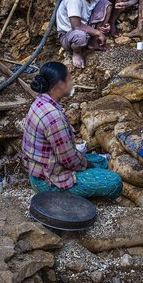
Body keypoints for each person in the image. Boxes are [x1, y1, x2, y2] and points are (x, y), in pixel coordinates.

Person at [22, 62, 123, 200]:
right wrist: (88, 166)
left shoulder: (39, 101)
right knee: (114, 182)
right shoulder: (53, 117)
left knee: (100, 160)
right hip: (48, 182)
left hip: (39, 172)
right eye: (69, 79)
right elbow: (69, 160)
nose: (72, 82)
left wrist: (88, 162)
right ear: (60, 84)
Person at [56, 0, 111, 69]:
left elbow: (99, 8)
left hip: (85, 25)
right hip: (69, 33)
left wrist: (104, 26)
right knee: (80, 36)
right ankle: (77, 52)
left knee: (106, 4)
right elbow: (76, 26)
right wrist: (98, 32)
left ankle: (93, 43)